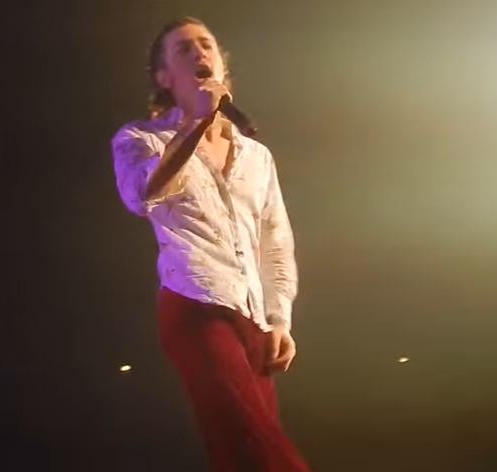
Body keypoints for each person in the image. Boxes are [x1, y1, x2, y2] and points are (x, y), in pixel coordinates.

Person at [111, 16, 311, 472]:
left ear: (222, 64)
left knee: (238, 453)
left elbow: (275, 240)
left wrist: (279, 317)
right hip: (193, 305)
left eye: (206, 45)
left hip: (253, 315)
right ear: (164, 77)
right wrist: (197, 122)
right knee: (258, 448)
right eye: (184, 49)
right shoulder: (139, 138)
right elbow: (141, 194)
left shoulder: (256, 156)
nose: (200, 53)